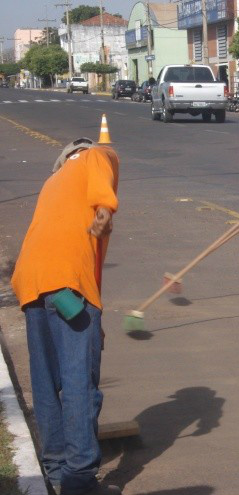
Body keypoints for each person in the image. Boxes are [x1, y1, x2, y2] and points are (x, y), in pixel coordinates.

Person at [11, 139, 121, 495]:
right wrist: (105, 208)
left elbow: (89, 262)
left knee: (45, 379)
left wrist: (95, 317)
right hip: (67, 283)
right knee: (78, 381)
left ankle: (56, 468)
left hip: (31, 284)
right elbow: (104, 175)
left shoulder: (53, 182)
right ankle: (79, 478)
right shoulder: (95, 156)